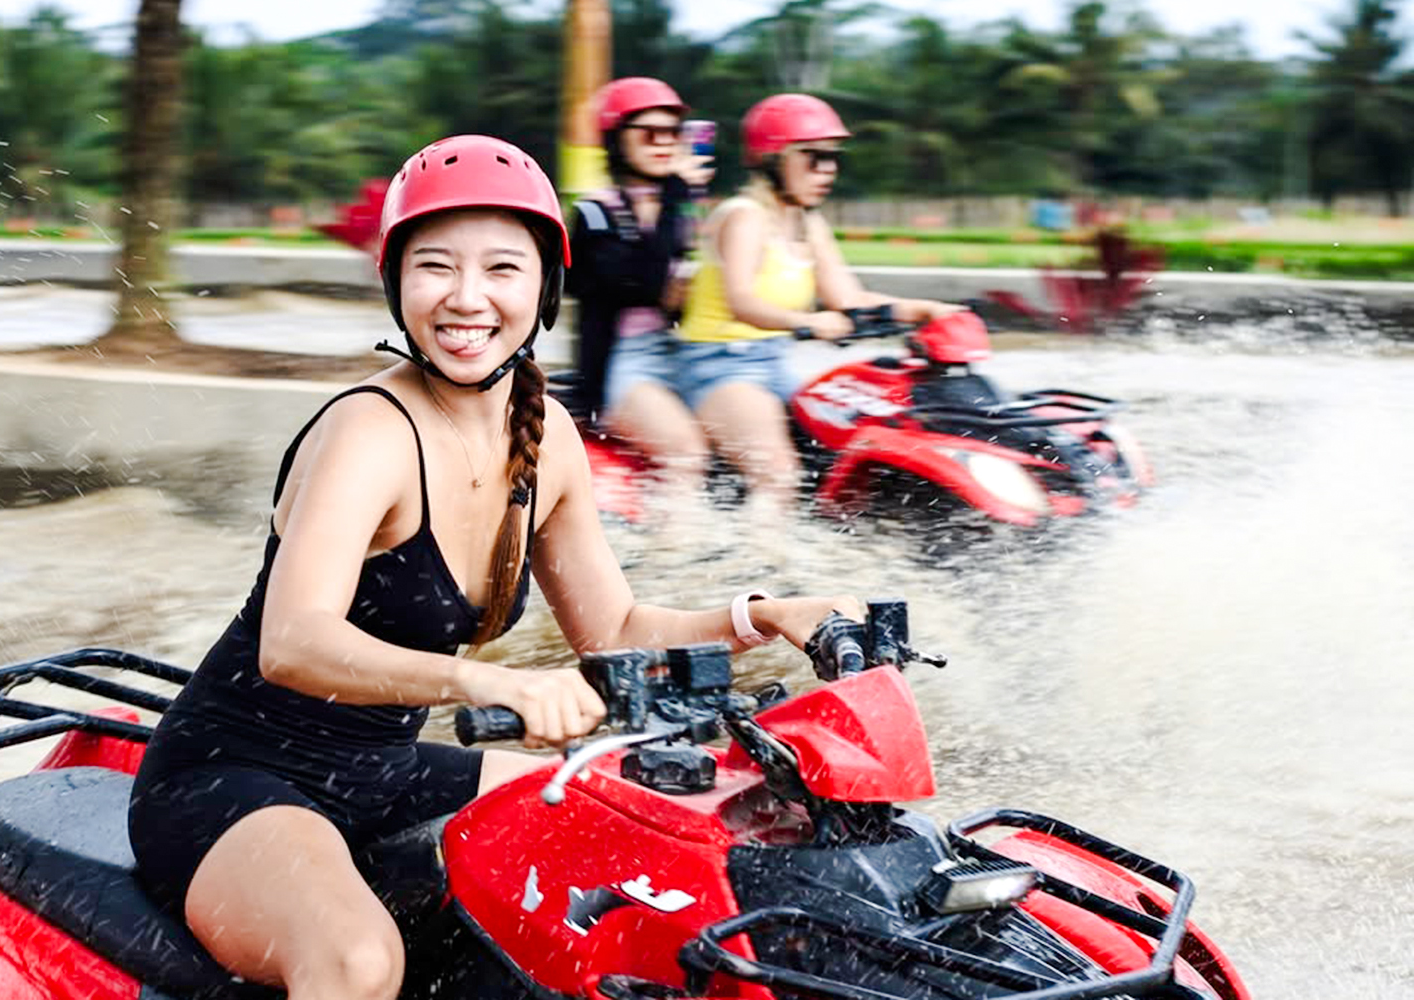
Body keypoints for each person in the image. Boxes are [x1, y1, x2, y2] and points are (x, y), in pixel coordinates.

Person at [127, 134, 862, 1000]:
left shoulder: (545, 437)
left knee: (644, 827)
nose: (467, 299)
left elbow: (617, 632)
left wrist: (764, 617)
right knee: (360, 965)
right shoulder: (368, 433)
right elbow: (294, 643)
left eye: (502, 270)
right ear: (397, 283)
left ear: (544, 287)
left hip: (386, 772)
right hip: (236, 780)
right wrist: (489, 686)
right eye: (435, 266)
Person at [674, 94, 962, 517]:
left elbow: (849, 299)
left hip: (773, 362)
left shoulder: (808, 222)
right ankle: (750, 575)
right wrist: (806, 322)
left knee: (847, 442)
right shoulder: (744, 216)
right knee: (777, 475)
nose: (827, 170)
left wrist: (930, 310)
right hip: (717, 364)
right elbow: (742, 301)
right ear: (773, 159)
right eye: (813, 157)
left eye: (832, 158)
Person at [567, 76, 713, 494]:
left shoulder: (679, 208)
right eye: (651, 133)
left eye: (674, 133)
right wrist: (675, 195)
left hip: (682, 351)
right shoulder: (595, 213)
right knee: (686, 453)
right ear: (617, 140)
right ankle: (674, 557)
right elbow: (647, 284)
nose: (666, 143)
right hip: (621, 365)